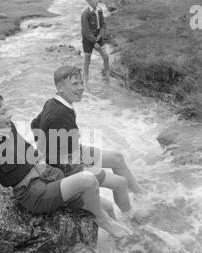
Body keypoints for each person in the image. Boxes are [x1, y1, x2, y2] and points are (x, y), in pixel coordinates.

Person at [0, 94, 132, 239]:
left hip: (52, 177)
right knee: (89, 180)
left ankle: (118, 243)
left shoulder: (9, 128)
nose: (9, 115)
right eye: (3, 113)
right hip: (34, 193)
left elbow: (28, 144)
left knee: (107, 206)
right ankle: (104, 221)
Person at [31, 66, 145, 223]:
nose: (81, 88)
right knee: (120, 183)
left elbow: (35, 124)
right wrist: (83, 169)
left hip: (74, 152)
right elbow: (64, 161)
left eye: (81, 83)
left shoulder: (53, 103)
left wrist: (42, 150)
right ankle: (130, 218)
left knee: (117, 158)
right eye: (75, 84)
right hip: (70, 165)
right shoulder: (60, 115)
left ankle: (141, 195)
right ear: (60, 87)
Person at [81, 0, 110, 82]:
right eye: (93, 0)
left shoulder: (99, 10)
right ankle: (86, 80)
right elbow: (85, 31)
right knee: (87, 61)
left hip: (98, 37)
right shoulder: (85, 13)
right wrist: (94, 42)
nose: (96, 1)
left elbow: (103, 24)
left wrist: (100, 35)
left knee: (106, 57)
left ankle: (107, 78)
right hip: (88, 40)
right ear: (89, 1)